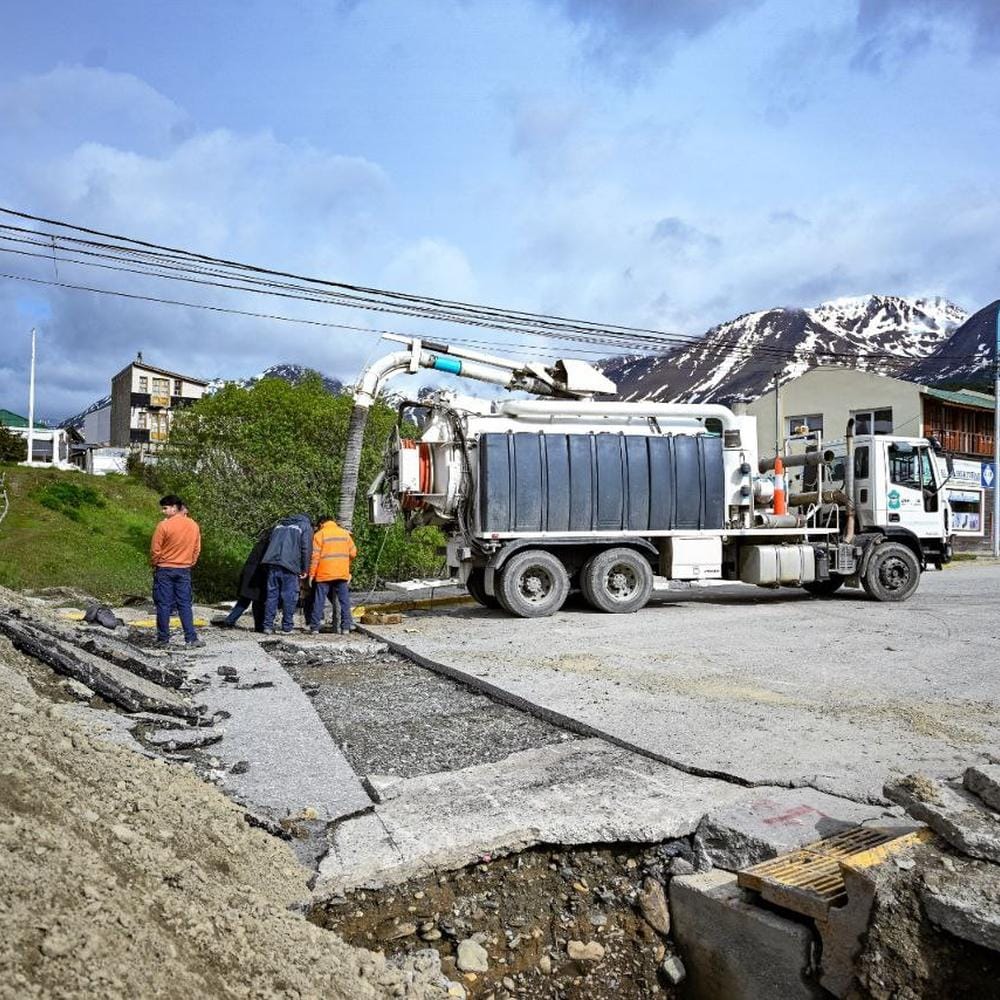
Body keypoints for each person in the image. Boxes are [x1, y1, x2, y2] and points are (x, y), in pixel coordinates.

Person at [150, 495, 204, 649]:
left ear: (174, 507)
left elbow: (155, 549)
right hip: (184, 569)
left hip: (165, 569)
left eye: (165, 508)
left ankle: (163, 639)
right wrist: (190, 562)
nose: (163, 511)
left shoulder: (163, 526)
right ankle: (191, 638)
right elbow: (196, 549)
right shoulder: (194, 525)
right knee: (185, 604)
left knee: (164, 605)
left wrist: (155, 563)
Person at [211, 526, 272, 631]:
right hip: (256, 576)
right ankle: (258, 626)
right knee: (258, 602)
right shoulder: (268, 547)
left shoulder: (260, 544)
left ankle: (230, 621)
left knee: (245, 601)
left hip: (249, 573)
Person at [260, 513, 313, 634]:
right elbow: (306, 549)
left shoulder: (279, 525)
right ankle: (287, 627)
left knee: (271, 596)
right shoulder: (305, 526)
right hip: (290, 565)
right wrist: (305, 569)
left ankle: (267, 626)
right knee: (289, 597)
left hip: (272, 563)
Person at [308, 516, 358, 634]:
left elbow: (315, 557)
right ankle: (346, 627)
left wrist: (311, 575)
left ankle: (315, 627)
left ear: (321, 524)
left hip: (324, 573)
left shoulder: (319, 535)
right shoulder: (345, 534)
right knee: (344, 601)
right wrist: (345, 564)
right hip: (341, 572)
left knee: (319, 600)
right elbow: (353, 553)